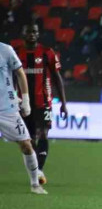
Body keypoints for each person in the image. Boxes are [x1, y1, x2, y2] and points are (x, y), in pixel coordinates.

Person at [16, 24, 68, 185]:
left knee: (44, 133)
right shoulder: (16, 54)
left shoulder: (47, 53)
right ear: (23, 33)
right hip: (23, 103)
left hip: (43, 102)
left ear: (38, 34)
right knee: (29, 139)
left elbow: (57, 78)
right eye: (29, 31)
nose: (32, 34)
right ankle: (35, 169)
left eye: (35, 32)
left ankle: (39, 170)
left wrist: (63, 103)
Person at [1, 41, 47, 194]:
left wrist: (25, 99)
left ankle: (35, 184)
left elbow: (20, 73)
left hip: (6, 109)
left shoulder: (5, 50)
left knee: (26, 146)